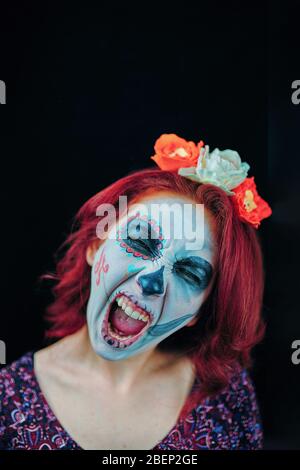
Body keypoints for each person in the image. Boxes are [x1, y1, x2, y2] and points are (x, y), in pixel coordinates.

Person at [0, 134, 272, 450]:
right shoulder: (7, 401)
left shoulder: (227, 397)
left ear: (199, 311)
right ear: (95, 245)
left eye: (188, 272)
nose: (152, 282)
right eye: (141, 242)